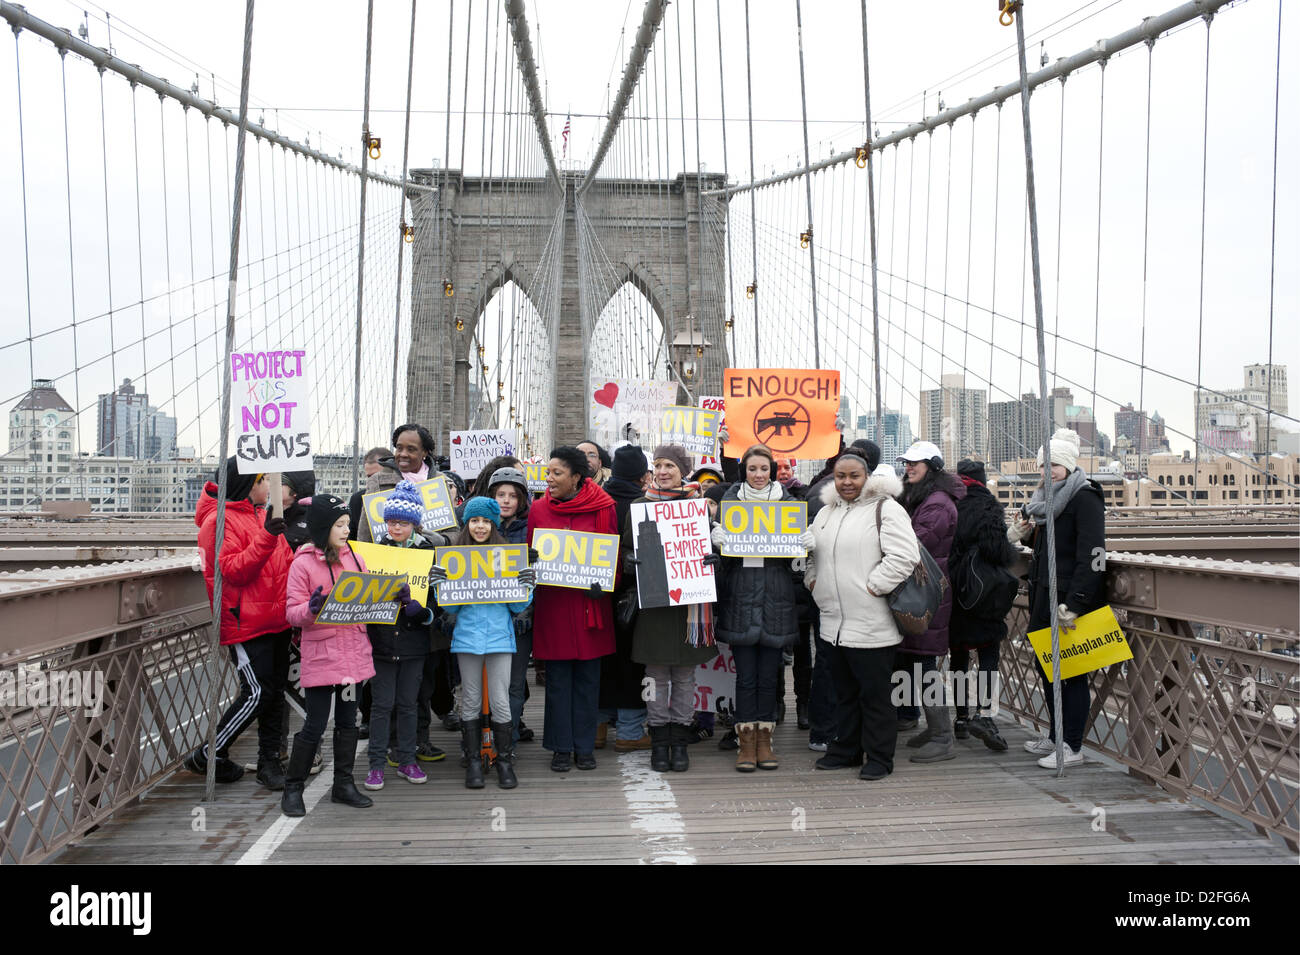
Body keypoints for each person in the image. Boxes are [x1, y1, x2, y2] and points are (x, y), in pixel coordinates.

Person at [806, 455, 919, 780]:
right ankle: (846, 750)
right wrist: (812, 581)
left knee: (875, 697)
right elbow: (812, 553)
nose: (847, 482)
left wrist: (874, 586)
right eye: (841, 476)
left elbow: (905, 555)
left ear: (866, 476)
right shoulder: (826, 512)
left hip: (872, 623)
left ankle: (880, 758)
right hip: (833, 624)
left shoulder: (886, 509)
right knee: (843, 694)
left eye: (854, 475)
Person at [187, 458, 293, 789]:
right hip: (245, 622)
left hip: (277, 619)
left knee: (274, 694)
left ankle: (268, 762)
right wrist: (265, 537)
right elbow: (233, 571)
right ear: (248, 485)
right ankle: (210, 751)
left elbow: (285, 563)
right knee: (257, 692)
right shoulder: (217, 522)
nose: (269, 487)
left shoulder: (262, 516)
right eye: (264, 480)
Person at [1009, 428, 1106, 769]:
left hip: (1066, 601)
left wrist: (1078, 602)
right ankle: (1056, 734)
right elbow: (1049, 549)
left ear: (1068, 465)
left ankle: (1072, 745)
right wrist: (1022, 536)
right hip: (1042, 595)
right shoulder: (1044, 501)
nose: (1047, 471)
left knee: (1070, 672)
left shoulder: (1084, 497)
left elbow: (1094, 554)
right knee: (1047, 668)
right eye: (1043, 465)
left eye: (1055, 464)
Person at [712, 444, 812, 772]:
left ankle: (765, 741)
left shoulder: (791, 506)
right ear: (744, 471)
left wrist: (805, 542)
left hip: (776, 599)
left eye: (764, 469)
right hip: (741, 596)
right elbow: (722, 560)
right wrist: (718, 540)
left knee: (770, 678)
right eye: (752, 469)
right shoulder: (729, 505)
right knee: (746, 678)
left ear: (772, 471)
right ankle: (746, 744)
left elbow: (797, 560)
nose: (758, 475)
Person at [622, 444, 720, 773]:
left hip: (689, 605)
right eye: (659, 465)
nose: (663, 471)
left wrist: (712, 560)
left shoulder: (698, 508)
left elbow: (710, 549)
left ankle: (680, 742)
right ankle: (659, 742)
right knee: (656, 677)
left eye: (670, 466)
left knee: (685, 678)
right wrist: (629, 562)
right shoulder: (638, 506)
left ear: (682, 471)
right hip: (654, 604)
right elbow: (624, 552)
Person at [281, 495, 379, 815]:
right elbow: (292, 613)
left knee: (349, 720)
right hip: (323, 654)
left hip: (352, 653)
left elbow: (366, 599)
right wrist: (310, 610)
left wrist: (389, 598)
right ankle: (293, 789)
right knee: (316, 722)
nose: (346, 530)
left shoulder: (356, 557)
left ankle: (343, 784)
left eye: (348, 524)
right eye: (339, 525)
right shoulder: (303, 563)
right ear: (323, 528)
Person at [526, 446, 619, 772]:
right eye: (548, 472)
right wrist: (532, 562)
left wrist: (607, 583)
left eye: (556, 473)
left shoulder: (604, 507)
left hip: (589, 607)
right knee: (558, 682)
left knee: (588, 682)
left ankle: (585, 746)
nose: (548, 479)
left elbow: (613, 555)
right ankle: (560, 747)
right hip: (554, 606)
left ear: (576, 477)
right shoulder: (537, 510)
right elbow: (528, 556)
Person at [434, 496, 535, 789]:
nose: (480, 526)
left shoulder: (506, 554)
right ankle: (474, 761)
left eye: (486, 521)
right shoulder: (456, 556)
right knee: (471, 700)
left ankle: (503, 761)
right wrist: (440, 585)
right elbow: (450, 608)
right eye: (475, 521)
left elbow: (517, 606)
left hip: (500, 638)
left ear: (494, 524)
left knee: (501, 700)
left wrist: (528, 584)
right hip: (467, 639)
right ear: (467, 524)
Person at [362, 481, 437, 791]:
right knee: (381, 706)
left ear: (414, 523)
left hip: (412, 644)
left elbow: (436, 606)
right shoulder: (374, 553)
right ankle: (376, 765)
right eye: (391, 521)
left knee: (408, 704)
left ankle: (407, 759)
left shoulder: (427, 553)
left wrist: (418, 610)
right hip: (382, 643)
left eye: (403, 522)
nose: (395, 527)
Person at [895, 440, 965, 763]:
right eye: (907, 463)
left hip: (926, 593)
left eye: (916, 463)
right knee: (915, 662)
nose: (909, 467)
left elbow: (913, 542)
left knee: (924, 667)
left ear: (932, 467)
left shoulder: (936, 505)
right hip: (919, 590)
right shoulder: (924, 497)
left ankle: (942, 736)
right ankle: (930, 727)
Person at [949, 459, 1018, 751]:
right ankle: (984, 714)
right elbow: (998, 550)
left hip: (956, 590)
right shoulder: (989, 507)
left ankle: (961, 718)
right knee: (988, 653)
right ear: (982, 480)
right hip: (984, 592)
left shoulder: (949, 504)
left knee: (959, 655)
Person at [597, 445, 652, 752]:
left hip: (599, 596)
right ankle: (630, 732)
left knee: (603, 659)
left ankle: (597, 728)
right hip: (635, 597)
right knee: (632, 664)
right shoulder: (645, 506)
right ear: (644, 476)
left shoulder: (596, 503)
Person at [488, 466, 537, 745]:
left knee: (514, 682)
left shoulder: (533, 531)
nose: (506, 501)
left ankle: (508, 738)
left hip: (520, 619)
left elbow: (538, 581)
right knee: (484, 683)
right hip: (486, 618)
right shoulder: (479, 527)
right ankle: (482, 735)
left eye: (512, 496)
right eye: (500, 495)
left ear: (522, 500)